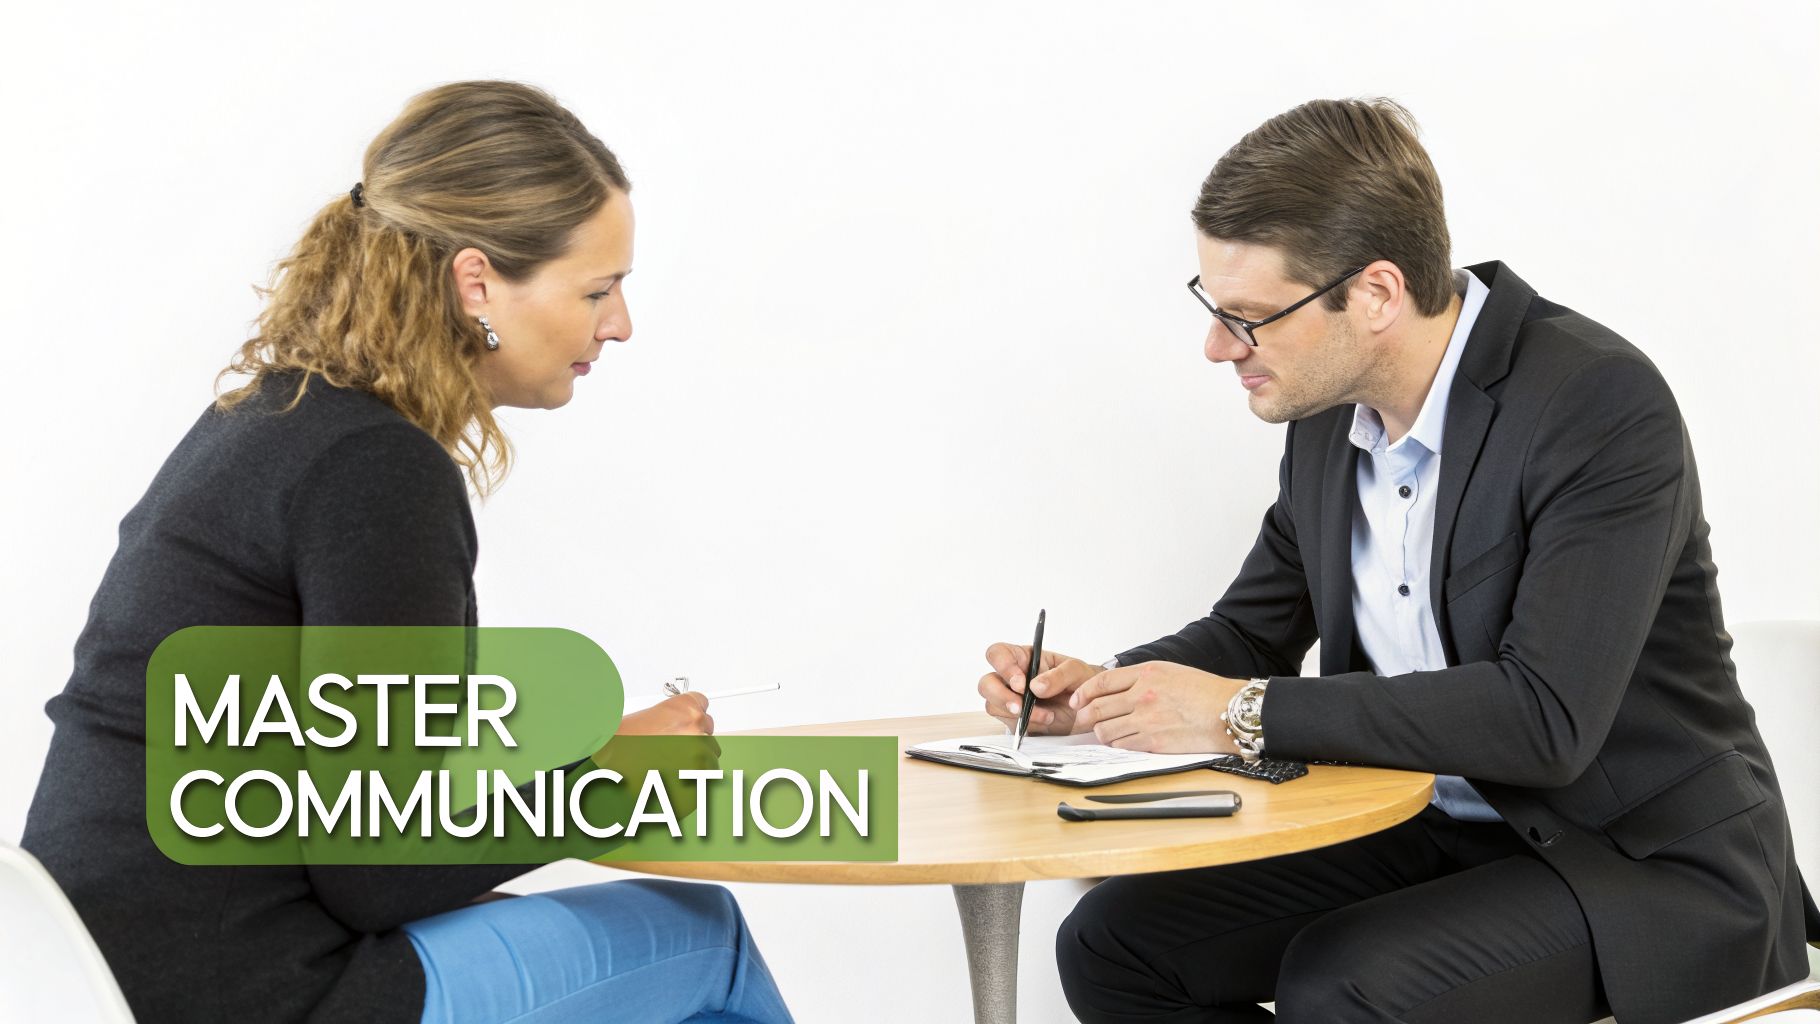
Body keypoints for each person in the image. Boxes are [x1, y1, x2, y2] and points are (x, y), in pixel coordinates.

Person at [977, 98, 1818, 1024]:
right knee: (1113, 943)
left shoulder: (1596, 405)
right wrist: (1106, 694)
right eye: (1213, 309)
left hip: (1637, 861)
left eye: (1248, 318)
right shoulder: (1328, 425)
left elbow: (1544, 718)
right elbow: (1249, 631)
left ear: (1376, 294)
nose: (1218, 347)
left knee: (1344, 982)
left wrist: (1235, 712)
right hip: (1431, 831)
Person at [22, 80, 793, 1024]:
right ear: (477, 284)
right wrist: (608, 782)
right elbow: (376, 870)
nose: (619, 324)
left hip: (109, 965)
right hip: (249, 986)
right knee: (702, 936)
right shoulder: (377, 468)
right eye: (597, 289)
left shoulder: (274, 416)